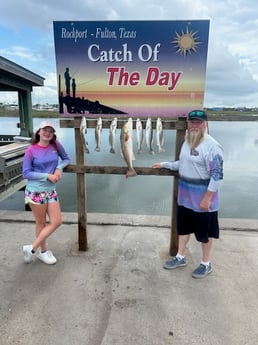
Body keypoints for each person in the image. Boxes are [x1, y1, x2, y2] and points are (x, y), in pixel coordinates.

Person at [152, 110, 223, 278]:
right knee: (183, 231)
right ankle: (180, 257)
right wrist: (164, 164)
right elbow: (182, 164)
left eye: (198, 122)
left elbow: (217, 175)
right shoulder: (187, 143)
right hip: (185, 200)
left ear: (206, 124)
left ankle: (206, 264)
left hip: (203, 203)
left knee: (205, 236)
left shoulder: (212, 146)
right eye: (192, 122)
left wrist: (207, 198)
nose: (194, 125)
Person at [22, 121, 71, 265]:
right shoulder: (31, 150)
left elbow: (66, 159)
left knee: (57, 221)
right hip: (35, 191)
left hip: (50, 190)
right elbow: (26, 173)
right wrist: (46, 176)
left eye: (50, 131)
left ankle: (31, 248)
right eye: (45, 130)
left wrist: (59, 168)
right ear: (38, 132)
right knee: (41, 222)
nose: (47, 133)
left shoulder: (56, 145)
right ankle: (43, 252)